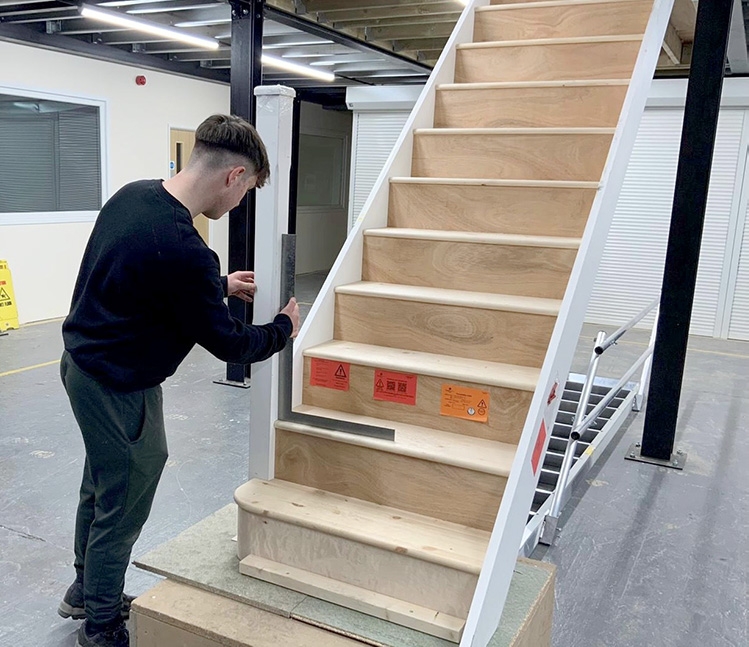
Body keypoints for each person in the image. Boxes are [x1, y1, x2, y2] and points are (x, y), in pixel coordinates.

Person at [57, 114, 300, 647]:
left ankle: (85, 589)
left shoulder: (135, 197)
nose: (239, 205)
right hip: (121, 388)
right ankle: (100, 625)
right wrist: (284, 326)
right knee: (122, 502)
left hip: (82, 366)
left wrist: (217, 284)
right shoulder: (185, 249)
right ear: (234, 176)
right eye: (247, 192)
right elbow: (233, 346)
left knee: (101, 483)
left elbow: (142, 273)